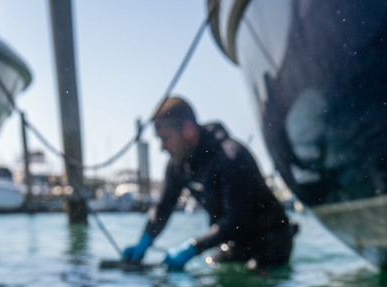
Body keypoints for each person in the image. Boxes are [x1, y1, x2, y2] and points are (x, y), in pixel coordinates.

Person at [123, 97, 295, 271]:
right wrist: (145, 240)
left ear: (188, 129)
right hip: (232, 242)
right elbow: (163, 207)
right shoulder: (179, 163)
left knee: (254, 273)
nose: (162, 147)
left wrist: (193, 247)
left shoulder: (231, 157)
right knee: (212, 267)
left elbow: (237, 219)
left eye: (166, 138)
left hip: (270, 241)